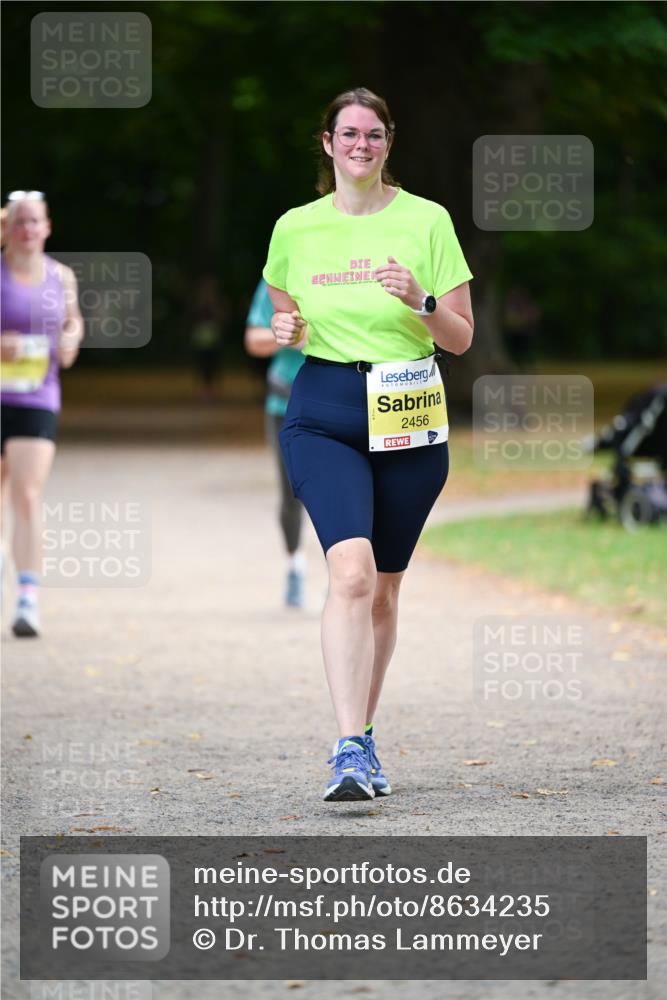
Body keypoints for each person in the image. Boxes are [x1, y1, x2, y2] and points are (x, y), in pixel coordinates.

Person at [263, 88, 474, 801]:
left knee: (383, 588)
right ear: (326, 143)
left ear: (388, 143)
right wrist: (283, 332)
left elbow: (460, 336)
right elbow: (282, 317)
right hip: (323, 408)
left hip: (408, 410)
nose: (361, 145)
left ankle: (367, 734)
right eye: (348, 134)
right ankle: (348, 748)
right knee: (349, 573)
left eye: (373, 134)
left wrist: (420, 300)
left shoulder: (426, 220)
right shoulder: (295, 227)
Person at [1, 191, 84, 637]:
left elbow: (72, 320)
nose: (28, 230)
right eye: (20, 222)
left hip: (37, 397)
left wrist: (71, 336)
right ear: (9, 228)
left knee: (27, 494)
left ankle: (28, 598)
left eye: (35, 222)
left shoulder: (61, 277)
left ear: (47, 227)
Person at [244, 278, 307, 607]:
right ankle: (295, 564)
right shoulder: (277, 281)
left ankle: (342, 575)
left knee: (342, 493)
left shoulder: (351, 270)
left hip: (342, 400)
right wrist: (287, 337)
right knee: (291, 494)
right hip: (285, 402)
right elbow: (253, 340)